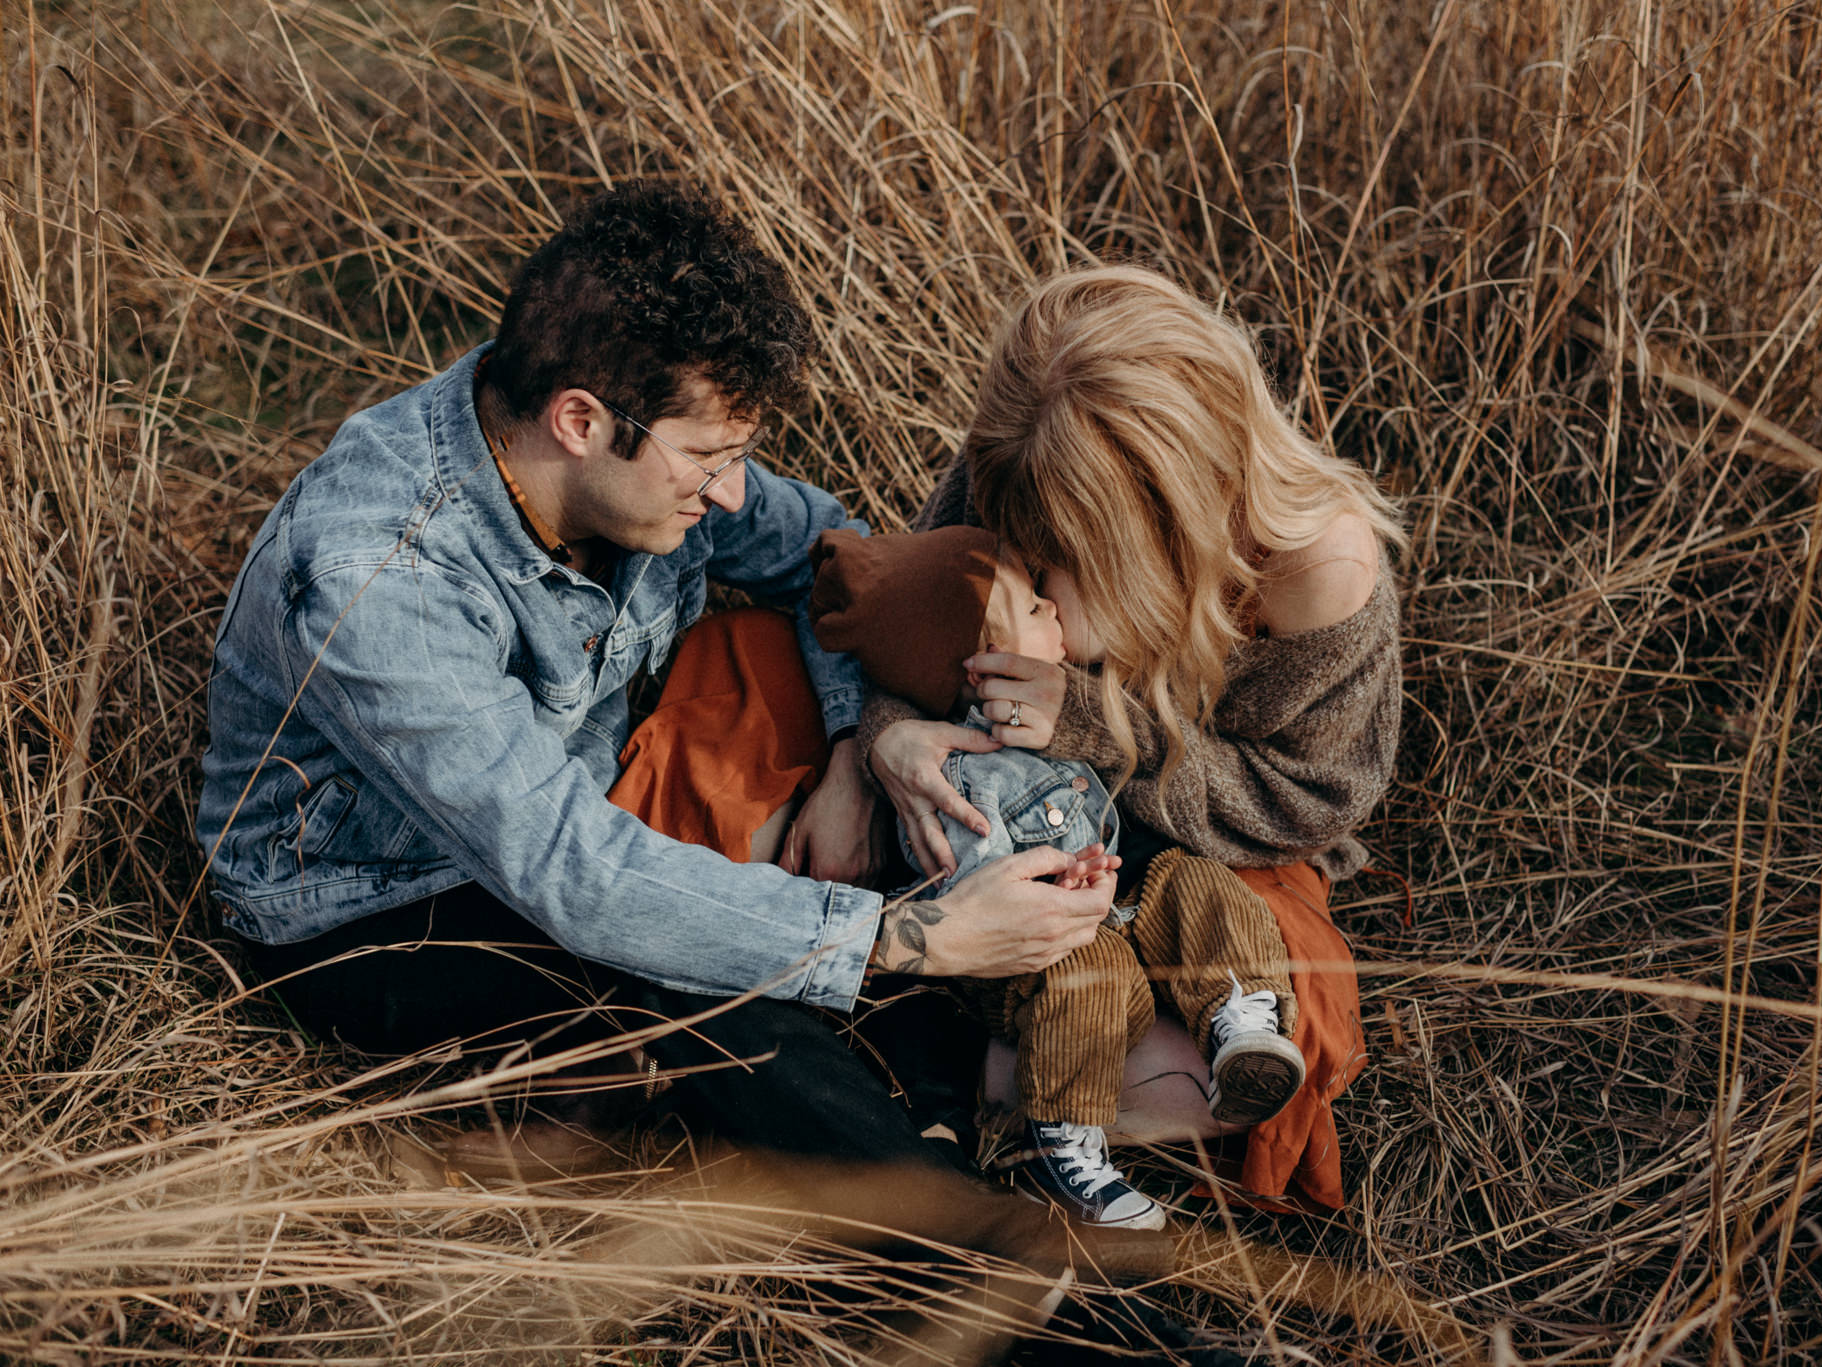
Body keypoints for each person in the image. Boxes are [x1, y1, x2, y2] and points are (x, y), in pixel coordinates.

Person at [193, 181, 1116, 1172]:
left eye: (739, 457)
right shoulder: (379, 574)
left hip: (593, 809)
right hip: (375, 904)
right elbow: (573, 873)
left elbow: (833, 562)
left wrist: (864, 746)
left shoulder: (632, 461)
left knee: (881, 787)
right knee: (666, 980)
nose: (729, 491)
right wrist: (905, 936)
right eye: (708, 458)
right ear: (581, 421)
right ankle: (965, 1244)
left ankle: (954, 1098)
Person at [860, 265, 1404, 1209]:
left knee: (1269, 1047)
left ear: (1162, 536)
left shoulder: (1318, 567)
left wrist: (1095, 724)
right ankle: (970, 1030)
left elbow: (1306, 805)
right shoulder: (1028, 454)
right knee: (754, 771)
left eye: (1054, 563)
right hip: (1005, 801)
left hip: (1215, 855)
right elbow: (910, 621)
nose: (1022, 569)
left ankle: (951, 1056)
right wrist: (878, 738)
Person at [807, 525, 1306, 1230]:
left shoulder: (1058, 700)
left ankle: (1243, 1016)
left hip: (1113, 888)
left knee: (1194, 882)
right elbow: (975, 886)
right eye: (1034, 607)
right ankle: (1067, 1144)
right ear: (984, 664)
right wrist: (1060, 888)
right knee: (1088, 975)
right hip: (1039, 941)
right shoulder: (953, 775)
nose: (1052, 609)